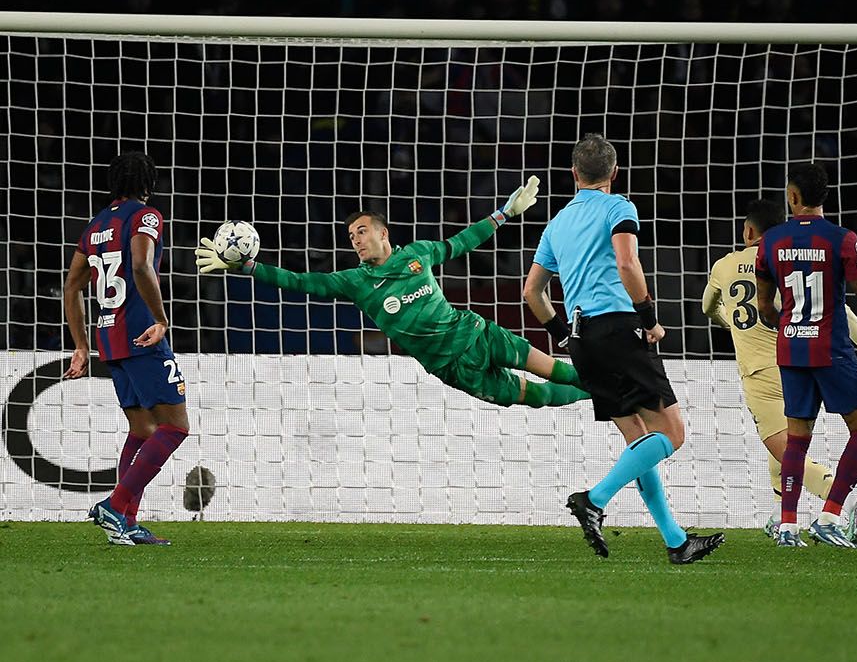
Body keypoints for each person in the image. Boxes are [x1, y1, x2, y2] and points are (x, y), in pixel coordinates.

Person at [195, 176, 590, 411]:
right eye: (351, 237)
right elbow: (300, 282)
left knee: (558, 369)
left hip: (477, 334)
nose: (356, 240)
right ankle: (603, 397)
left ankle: (618, 385)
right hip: (452, 368)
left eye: (362, 232)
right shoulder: (354, 282)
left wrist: (503, 213)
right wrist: (247, 266)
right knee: (538, 398)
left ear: (383, 233)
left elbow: (462, 242)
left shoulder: (419, 253)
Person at [524, 133, 724, 564]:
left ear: (573, 175)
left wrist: (562, 334)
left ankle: (676, 542)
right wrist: (650, 318)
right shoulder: (619, 208)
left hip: (583, 340)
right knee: (672, 433)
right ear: (615, 173)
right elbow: (627, 262)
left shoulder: (556, 224)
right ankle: (594, 499)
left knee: (640, 440)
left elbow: (532, 292)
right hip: (619, 330)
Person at [703, 198, 857, 543]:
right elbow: (841, 312)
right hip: (797, 356)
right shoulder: (787, 259)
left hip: (761, 372)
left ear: (747, 231)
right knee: (794, 447)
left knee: (786, 448)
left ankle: (845, 506)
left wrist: (730, 321)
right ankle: (783, 520)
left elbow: (707, 306)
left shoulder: (725, 266)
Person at [753, 163, 857, 549]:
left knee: (797, 440)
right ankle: (829, 516)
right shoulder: (843, 239)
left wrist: (791, 328)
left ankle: (789, 527)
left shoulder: (771, 241)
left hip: (791, 348)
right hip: (833, 349)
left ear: (793, 197)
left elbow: (764, 307)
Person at [67, 152, 189, 546]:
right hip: (141, 333)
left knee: (142, 428)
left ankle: (126, 523)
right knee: (175, 426)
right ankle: (115, 506)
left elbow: (71, 287)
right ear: (148, 184)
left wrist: (81, 347)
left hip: (108, 338)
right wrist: (161, 319)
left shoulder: (95, 226)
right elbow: (141, 264)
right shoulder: (146, 216)